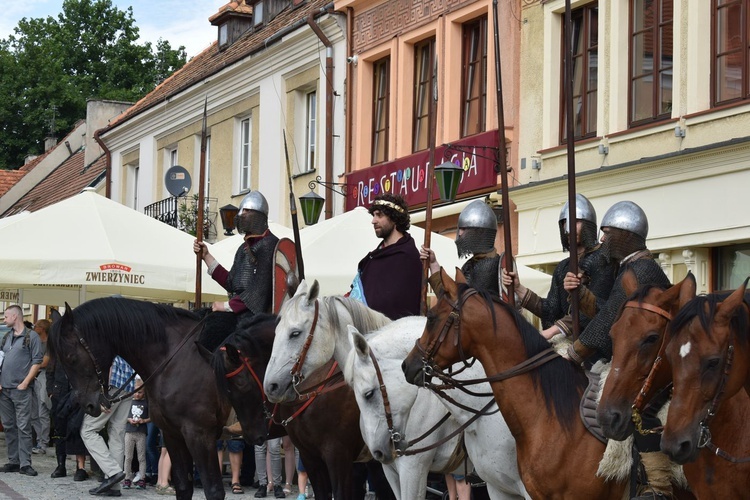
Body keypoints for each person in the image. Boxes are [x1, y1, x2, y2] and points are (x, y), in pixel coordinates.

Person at [564, 200, 672, 500]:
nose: (601, 240)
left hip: (660, 360)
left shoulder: (642, 269)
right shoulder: (629, 267)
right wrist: (580, 293)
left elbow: (606, 320)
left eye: (607, 233)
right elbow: (607, 313)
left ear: (625, 235)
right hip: (644, 355)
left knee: (641, 408)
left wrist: (574, 353)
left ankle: (658, 487)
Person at [502, 194, 616, 338]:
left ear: (588, 224)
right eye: (565, 223)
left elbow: (599, 309)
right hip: (566, 341)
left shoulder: (604, 259)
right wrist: (519, 288)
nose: (568, 229)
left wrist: (551, 332)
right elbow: (550, 310)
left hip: (596, 346)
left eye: (576, 222)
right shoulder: (563, 267)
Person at [194, 190, 278, 319]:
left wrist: (228, 306)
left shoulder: (269, 245)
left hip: (257, 319)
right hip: (240, 314)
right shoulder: (243, 248)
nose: (241, 214)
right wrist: (206, 255)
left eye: (246, 210)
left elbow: (260, 291)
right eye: (241, 211)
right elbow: (231, 282)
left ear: (258, 215)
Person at [421, 199, 514, 301]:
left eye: (464, 229)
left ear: (479, 233)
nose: (460, 233)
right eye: (460, 229)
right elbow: (451, 299)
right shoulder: (471, 264)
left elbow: (461, 303)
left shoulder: (492, 266)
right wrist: (433, 264)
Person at [353, 193, 422, 320]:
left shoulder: (408, 257)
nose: (373, 221)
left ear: (394, 218)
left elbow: (400, 305)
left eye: (379, 215)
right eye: (374, 215)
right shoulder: (372, 258)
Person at [81, 355, 135, 497]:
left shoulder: (102, 332)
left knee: (88, 430)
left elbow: (103, 358)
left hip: (112, 385)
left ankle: (113, 472)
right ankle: (114, 486)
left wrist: (101, 393)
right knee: (117, 435)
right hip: (128, 385)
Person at [0, 305, 43, 477]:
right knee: (9, 426)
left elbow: (37, 361)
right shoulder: (6, 337)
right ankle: (13, 461)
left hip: (21, 389)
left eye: (6, 316)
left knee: (24, 426)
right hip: (5, 390)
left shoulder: (31, 337)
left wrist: (25, 383)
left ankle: (25, 464)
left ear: (15, 316)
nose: (4, 319)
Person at [47, 346, 89, 481]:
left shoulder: (82, 351)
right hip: (59, 394)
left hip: (78, 395)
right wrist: (51, 392)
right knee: (59, 431)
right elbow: (50, 372)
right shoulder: (56, 352)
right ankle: (61, 466)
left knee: (77, 429)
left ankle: (80, 468)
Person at [123, 377, 149, 489]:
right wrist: (129, 419)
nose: (137, 394)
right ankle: (127, 478)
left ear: (144, 393)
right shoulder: (128, 402)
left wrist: (144, 421)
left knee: (141, 457)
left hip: (141, 432)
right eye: (135, 392)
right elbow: (123, 416)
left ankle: (142, 478)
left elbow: (151, 417)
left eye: (140, 392)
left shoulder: (146, 403)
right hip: (129, 432)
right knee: (128, 457)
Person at [30, 319, 51, 455]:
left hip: (43, 377)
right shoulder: (36, 342)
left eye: (36, 326)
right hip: (34, 377)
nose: (34, 327)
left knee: (42, 411)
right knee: (33, 413)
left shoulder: (50, 344)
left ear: (42, 328)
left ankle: (43, 442)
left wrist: (31, 364)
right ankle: (39, 441)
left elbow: (44, 363)